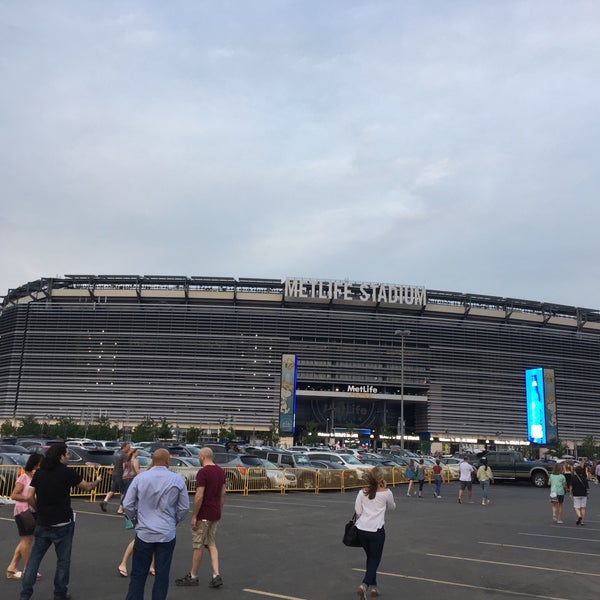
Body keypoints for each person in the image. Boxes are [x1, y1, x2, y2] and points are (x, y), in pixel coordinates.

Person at [19, 443, 102, 600]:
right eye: (68, 454)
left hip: (43, 523)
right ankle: (60, 592)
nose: (69, 457)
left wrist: (39, 510)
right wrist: (97, 480)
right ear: (61, 456)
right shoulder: (67, 473)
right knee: (63, 561)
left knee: (34, 560)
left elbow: (29, 496)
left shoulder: (39, 473)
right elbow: (87, 487)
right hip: (63, 523)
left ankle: (25, 594)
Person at [122, 447, 189, 600]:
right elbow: (184, 508)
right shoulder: (177, 479)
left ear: (152, 460)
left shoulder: (141, 478)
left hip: (144, 532)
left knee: (138, 573)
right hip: (166, 533)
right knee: (162, 574)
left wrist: (134, 519)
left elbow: (127, 504)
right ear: (168, 461)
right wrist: (175, 520)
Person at [175, 447, 226, 589]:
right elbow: (223, 493)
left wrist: (194, 515)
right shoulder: (220, 471)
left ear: (202, 457)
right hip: (215, 512)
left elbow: (199, 496)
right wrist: (219, 508)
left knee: (198, 545)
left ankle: (193, 575)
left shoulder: (203, 472)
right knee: (211, 543)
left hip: (204, 513)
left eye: (199, 456)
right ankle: (216, 574)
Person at [355, 467, 396, 599]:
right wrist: (385, 489)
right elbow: (392, 506)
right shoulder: (386, 493)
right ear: (381, 479)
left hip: (361, 529)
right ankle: (364, 585)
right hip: (376, 530)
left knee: (371, 558)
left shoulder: (362, 492)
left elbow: (358, 511)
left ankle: (374, 587)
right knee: (374, 559)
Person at [6, 453, 43, 580]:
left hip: (32, 511)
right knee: (26, 540)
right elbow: (14, 495)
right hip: (23, 511)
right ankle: (29, 569)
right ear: (35, 463)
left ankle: (12, 567)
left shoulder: (37, 476)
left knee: (25, 541)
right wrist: (27, 498)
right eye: (41, 463)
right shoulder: (24, 477)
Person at [100, 441, 130, 514]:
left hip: (114, 473)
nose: (129, 449)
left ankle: (105, 501)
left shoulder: (117, 453)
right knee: (123, 492)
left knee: (112, 490)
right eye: (128, 447)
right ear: (125, 447)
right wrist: (125, 474)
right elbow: (123, 466)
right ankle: (120, 508)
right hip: (120, 475)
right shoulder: (124, 455)